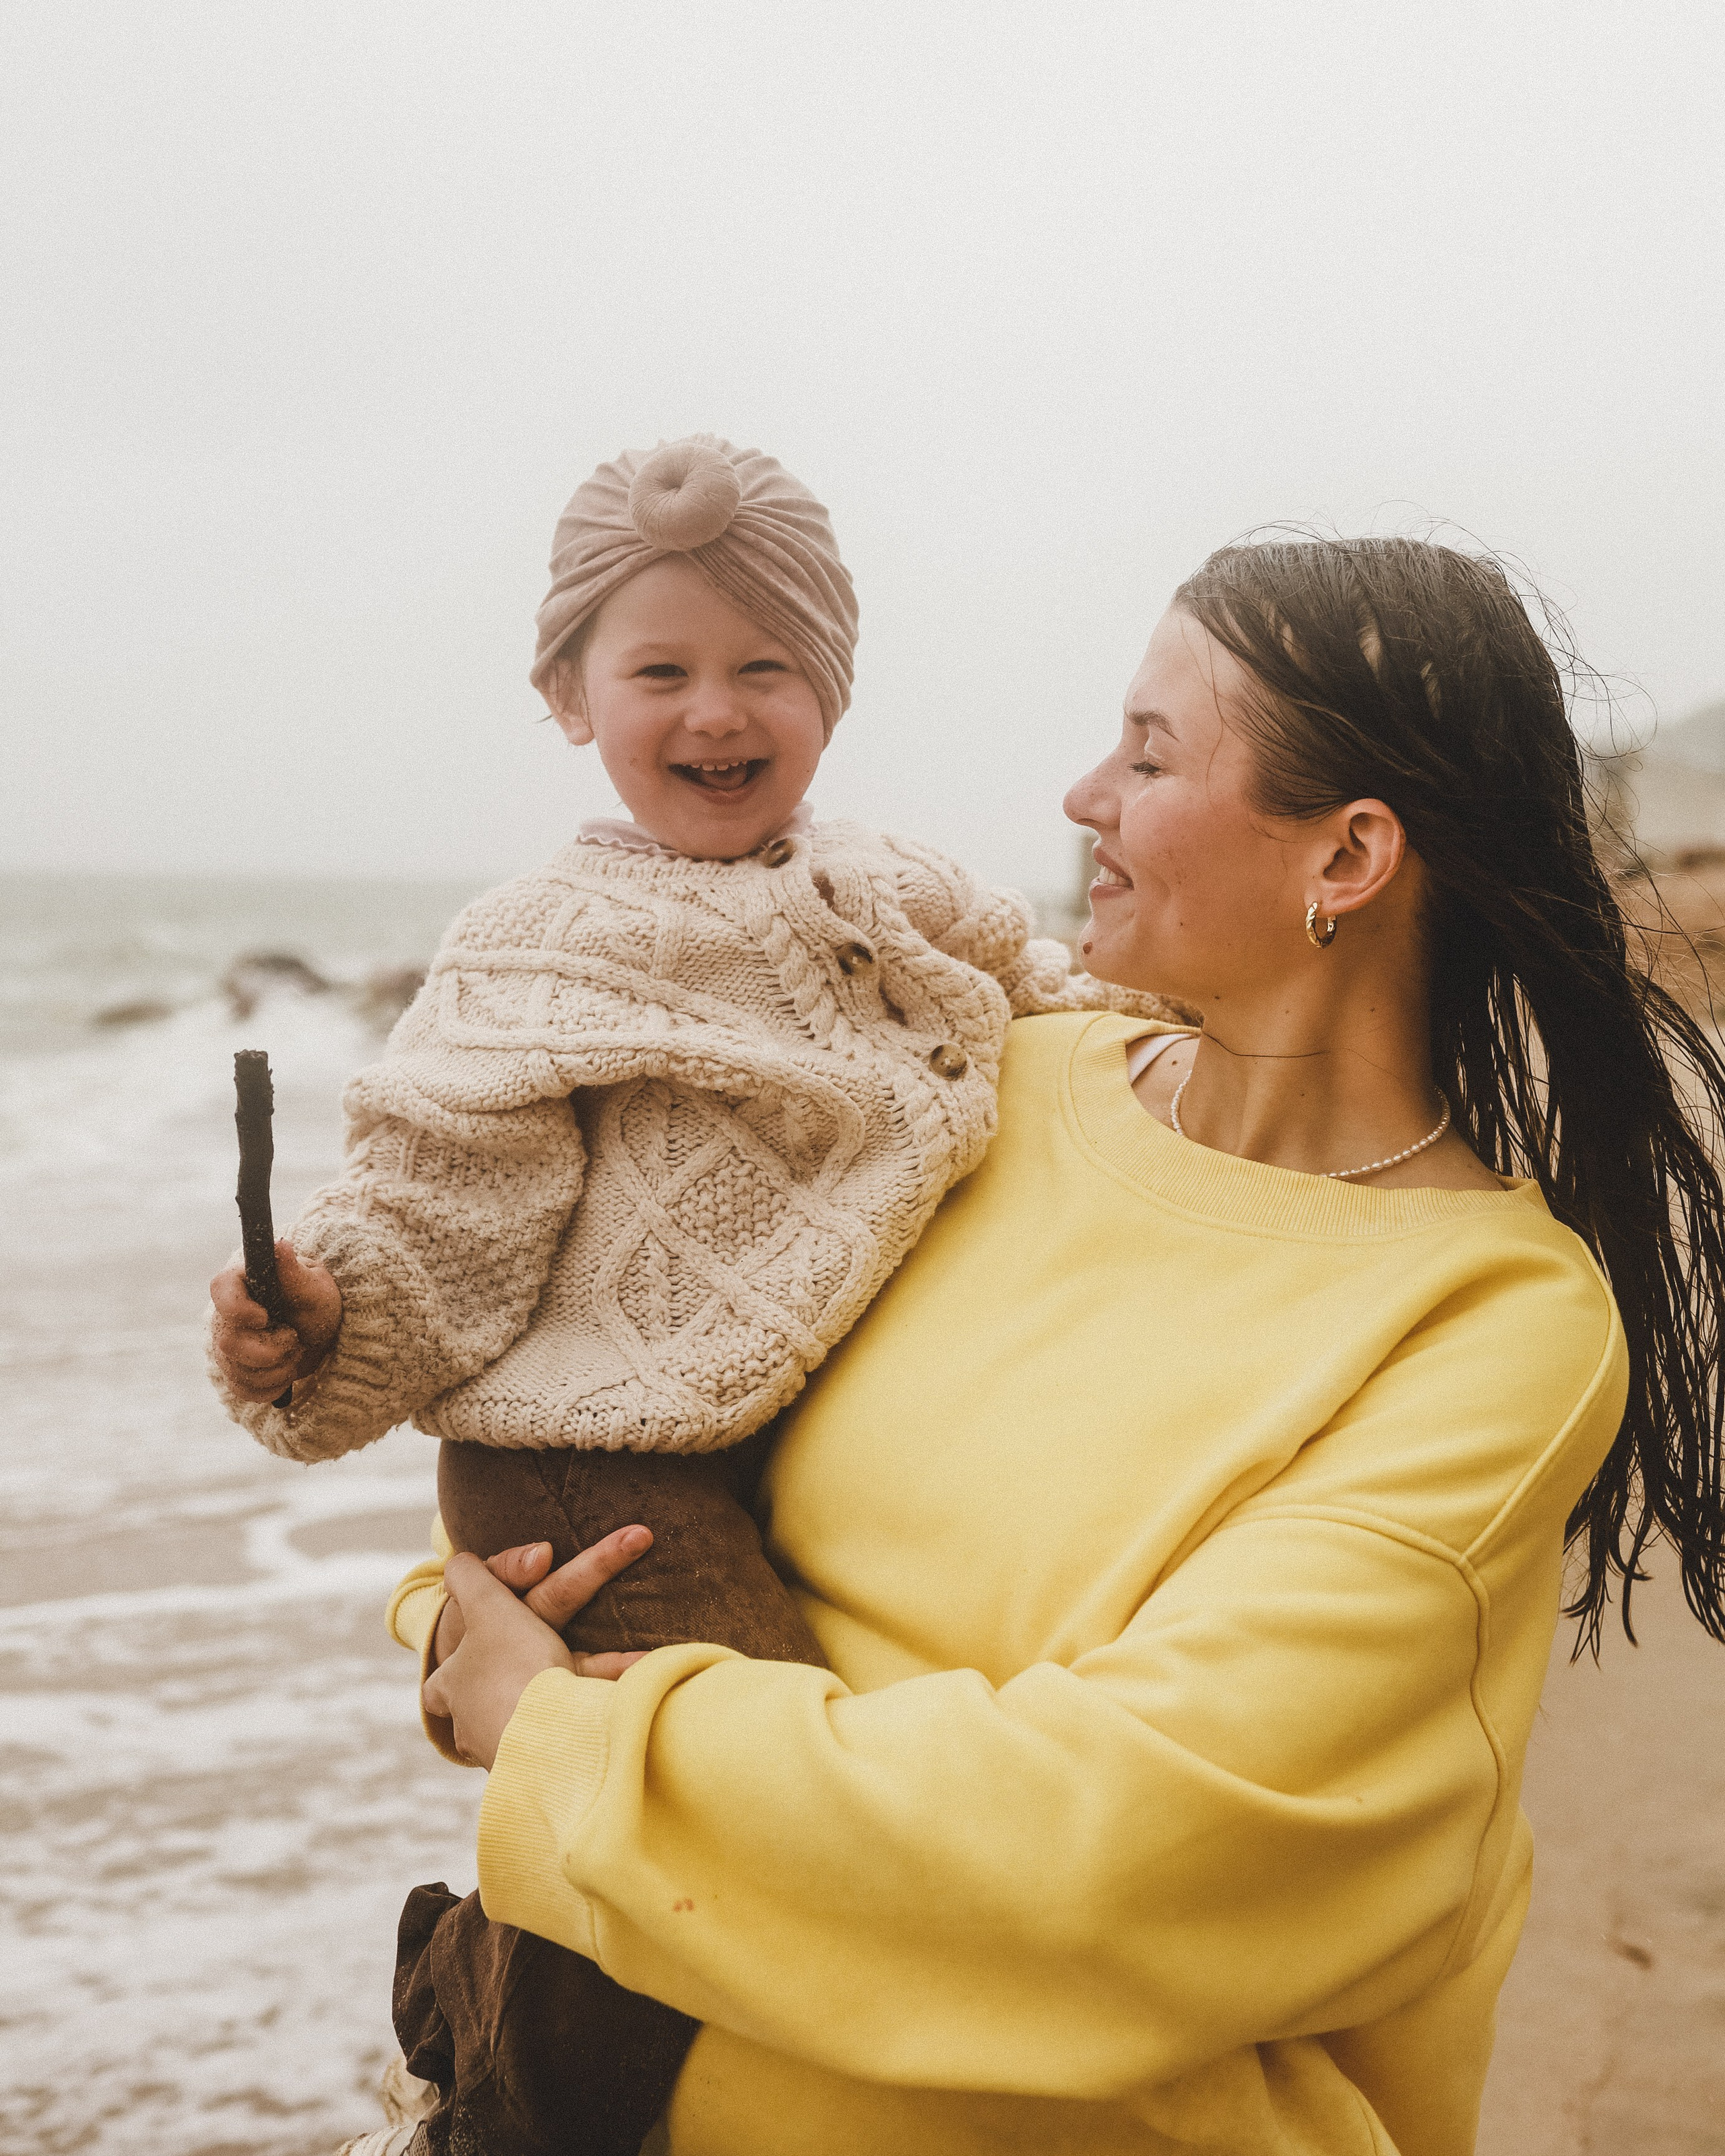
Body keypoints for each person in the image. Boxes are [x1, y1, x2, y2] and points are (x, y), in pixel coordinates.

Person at [394, 533, 1725, 2156]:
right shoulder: (993, 1090)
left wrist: (571, 1743)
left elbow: (1123, 1844)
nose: (1083, 795)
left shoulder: (1488, 1326)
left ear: (1348, 856)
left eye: (1150, 754)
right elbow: (644, 1388)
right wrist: (473, 1627)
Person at [207, 433, 1177, 2156]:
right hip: (594, 1463)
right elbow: (445, 1195)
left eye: (764, 667)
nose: (714, 709)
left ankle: (472, 1971)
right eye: (657, 669)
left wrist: (1185, 1051)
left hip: (751, 1440)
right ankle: (476, 2091)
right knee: (708, 1831)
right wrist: (327, 1316)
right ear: (569, 694)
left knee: (699, 1831)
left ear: (831, 689)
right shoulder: (546, 943)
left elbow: (1053, 998)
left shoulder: (898, 890)